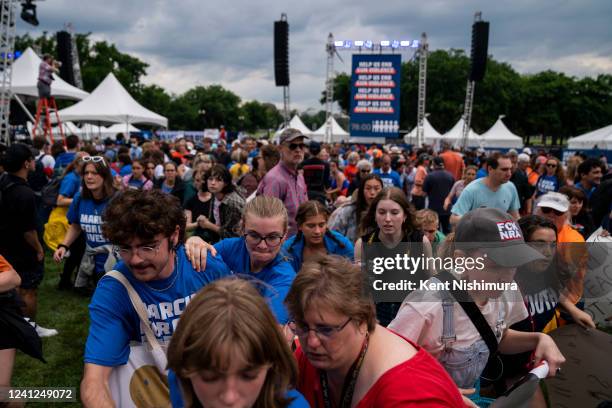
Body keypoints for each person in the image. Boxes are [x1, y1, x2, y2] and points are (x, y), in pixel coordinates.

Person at [389, 208, 565, 405]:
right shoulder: (426, 306)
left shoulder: (506, 290)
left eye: (513, 264)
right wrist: (438, 390)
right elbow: (385, 367)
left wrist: (540, 339)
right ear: (461, 260)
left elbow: (499, 335)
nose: (507, 277)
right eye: (495, 266)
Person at [80, 189, 230, 407]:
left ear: (175, 235)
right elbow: (95, 381)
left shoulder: (205, 266)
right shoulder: (114, 290)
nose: (136, 259)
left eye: (148, 246)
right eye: (125, 248)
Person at [286, 255, 465, 407]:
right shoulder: (310, 356)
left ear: (362, 320)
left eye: (326, 330)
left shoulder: (410, 395)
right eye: (301, 326)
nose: (311, 342)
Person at [167, 278, 308, 407]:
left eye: (248, 375)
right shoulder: (179, 382)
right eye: (210, 377)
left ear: (271, 367)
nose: (229, 398)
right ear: (185, 370)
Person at [354, 187, 432, 326]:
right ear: (375, 215)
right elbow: (362, 292)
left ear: (405, 216)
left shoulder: (419, 242)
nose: (387, 219)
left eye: (394, 212)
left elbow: (432, 283)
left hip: (413, 316)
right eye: (382, 212)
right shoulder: (363, 245)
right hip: (378, 318)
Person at [0, 144, 51, 334]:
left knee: (10, 288)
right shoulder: (25, 193)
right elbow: (28, 231)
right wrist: (39, 249)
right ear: (26, 163)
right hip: (22, 248)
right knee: (28, 289)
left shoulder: (3, 181)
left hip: (5, 245)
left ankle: (14, 325)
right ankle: (29, 329)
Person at [53, 156, 118, 287]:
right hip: (90, 260)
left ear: (105, 176)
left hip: (116, 262)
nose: (89, 177)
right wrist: (64, 246)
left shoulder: (118, 199)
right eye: (86, 173)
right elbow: (76, 225)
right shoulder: (79, 198)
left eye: (94, 173)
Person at [256, 128, 308, 237]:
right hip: (282, 245)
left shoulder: (299, 176)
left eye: (301, 146)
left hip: (299, 241)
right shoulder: (275, 179)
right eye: (292, 146)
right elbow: (268, 218)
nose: (298, 150)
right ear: (280, 149)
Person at [282, 201, 354, 273]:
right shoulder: (288, 249)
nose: (317, 231)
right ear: (300, 226)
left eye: (321, 225)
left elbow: (351, 277)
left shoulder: (342, 245)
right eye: (311, 226)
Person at [450, 154, 520, 226]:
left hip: (499, 236)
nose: (509, 174)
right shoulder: (472, 190)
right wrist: (478, 220)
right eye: (504, 169)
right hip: (477, 236)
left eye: (510, 169)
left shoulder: (510, 187)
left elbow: (515, 217)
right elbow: (453, 219)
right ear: (490, 169)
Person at [196, 164, 245, 244]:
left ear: (225, 183)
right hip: (219, 241)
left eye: (218, 180)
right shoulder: (215, 194)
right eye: (210, 179)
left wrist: (208, 225)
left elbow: (232, 235)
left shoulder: (232, 203)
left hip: (234, 245)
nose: (213, 183)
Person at [328, 174, 384, 243]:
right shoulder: (347, 211)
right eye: (368, 188)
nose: (372, 192)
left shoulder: (386, 214)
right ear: (361, 190)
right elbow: (332, 236)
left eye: (376, 188)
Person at [423, 157, 455, 234]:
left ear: (433, 164)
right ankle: (447, 246)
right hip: (447, 209)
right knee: (447, 231)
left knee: (434, 232)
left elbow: (424, 192)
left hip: (433, 209)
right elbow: (453, 192)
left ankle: (436, 246)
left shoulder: (430, 176)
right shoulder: (450, 176)